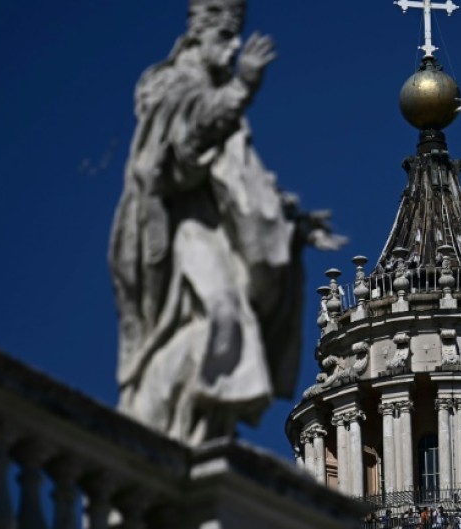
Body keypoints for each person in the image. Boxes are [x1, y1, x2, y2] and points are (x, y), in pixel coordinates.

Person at [109, 0, 345, 445]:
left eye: (236, 36)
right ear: (201, 33)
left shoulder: (214, 92)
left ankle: (202, 426)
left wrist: (291, 220)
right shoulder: (172, 82)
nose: (234, 46)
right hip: (180, 226)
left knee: (234, 315)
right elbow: (181, 150)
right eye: (225, 36)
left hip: (213, 224)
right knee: (221, 312)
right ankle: (182, 426)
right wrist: (242, 88)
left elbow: (240, 180)